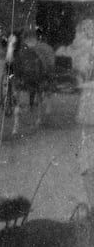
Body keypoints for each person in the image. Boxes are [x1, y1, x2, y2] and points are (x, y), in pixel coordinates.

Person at [69, 19, 94, 212]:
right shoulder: (86, 56)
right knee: (86, 164)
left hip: (89, 114)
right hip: (87, 116)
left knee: (87, 164)